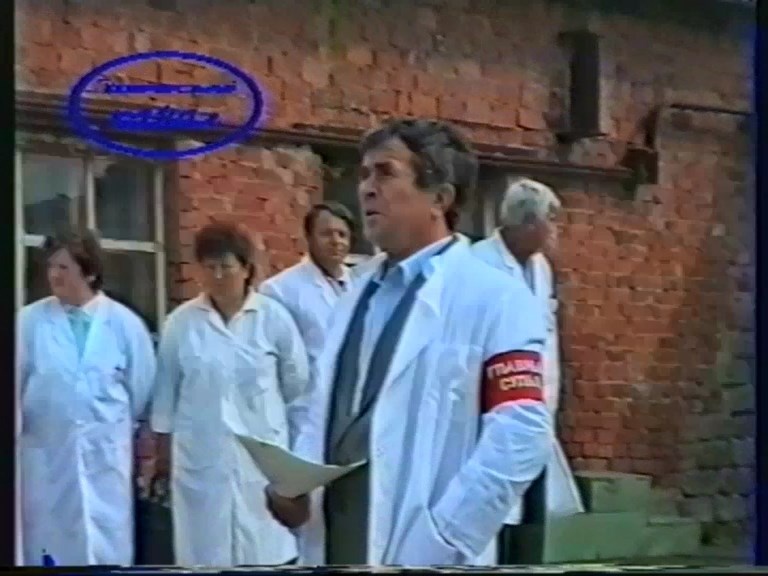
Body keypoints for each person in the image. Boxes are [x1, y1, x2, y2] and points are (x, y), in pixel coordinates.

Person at [264, 119, 553, 566]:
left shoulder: (495, 297)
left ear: (440, 197)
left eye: (385, 173)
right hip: (336, 538)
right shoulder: (355, 293)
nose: (366, 189)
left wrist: (444, 537)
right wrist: (294, 488)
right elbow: (322, 408)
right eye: (364, 175)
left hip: (427, 546)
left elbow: (521, 435)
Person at [150, 221, 310, 567]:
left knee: (265, 552)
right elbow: (165, 398)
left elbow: (297, 388)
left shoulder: (273, 319)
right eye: (209, 268)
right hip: (202, 459)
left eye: (226, 267)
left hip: (262, 460)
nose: (218, 276)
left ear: (246, 269)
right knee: (205, 553)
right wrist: (162, 456)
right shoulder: (181, 324)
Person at [17, 229, 156, 566]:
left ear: (90, 272)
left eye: (63, 267)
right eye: (51, 267)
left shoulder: (125, 325)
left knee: (105, 546)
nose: (54, 275)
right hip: (46, 458)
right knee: (47, 547)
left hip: (105, 457)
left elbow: (142, 392)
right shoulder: (28, 323)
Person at [471, 178, 584, 530]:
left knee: (533, 520)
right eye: (551, 219)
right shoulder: (478, 264)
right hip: (490, 415)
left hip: (536, 412)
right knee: (493, 517)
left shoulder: (541, 268)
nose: (555, 230)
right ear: (529, 222)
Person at [259, 202, 356, 371]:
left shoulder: (361, 284)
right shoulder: (279, 290)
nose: (336, 241)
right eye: (326, 234)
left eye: (342, 234)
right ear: (309, 237)